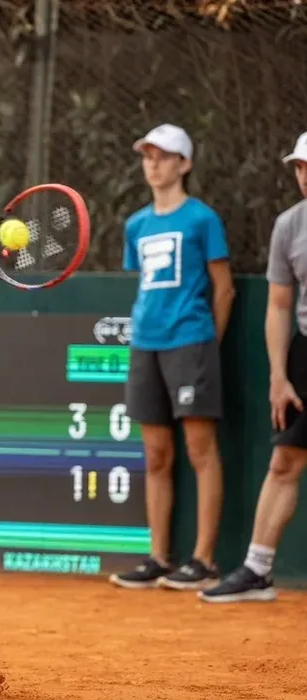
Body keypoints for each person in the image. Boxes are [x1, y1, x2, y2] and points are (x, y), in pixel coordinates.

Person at [109, 124, 235, 592]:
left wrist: (206, 342)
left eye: (164, 157)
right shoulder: (136, 225)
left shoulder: (202, 219)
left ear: (185, 164)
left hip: (192, 342)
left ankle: (203, 560)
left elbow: (224, 288)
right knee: (156, 454)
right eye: (148, 156)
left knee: (200, 451)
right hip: (146, 343)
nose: (154, 165)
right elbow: (143, 283)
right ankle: (159, 557)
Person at [200, 131, 307, 603]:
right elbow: (280, 304)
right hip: (304, 354)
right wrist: (279, 376)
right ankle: (257, 570)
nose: (304, 176)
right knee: (284, 461)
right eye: (300, 167)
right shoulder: (289, 225)